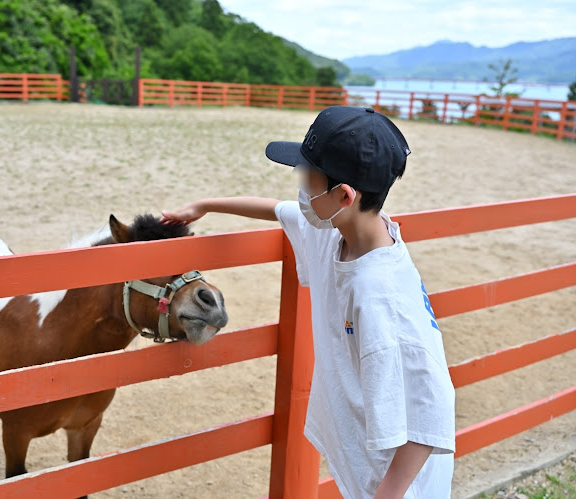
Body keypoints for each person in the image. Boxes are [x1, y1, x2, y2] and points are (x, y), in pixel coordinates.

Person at [160, 106, 456, 498]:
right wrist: (205, 205)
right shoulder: (340, 230)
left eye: (307, 175)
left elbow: (431, 411)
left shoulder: (381, 296)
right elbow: (277, 210)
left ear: (344, 194)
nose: (300, 183)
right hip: (370, 468)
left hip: (399, 486)